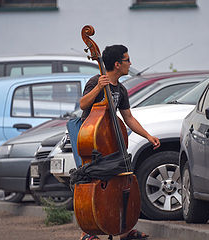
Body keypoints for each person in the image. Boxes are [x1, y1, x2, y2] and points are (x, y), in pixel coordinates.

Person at [79, 45, 160, 240]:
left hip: (109, 140)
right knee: (92, 183)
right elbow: (83, 104)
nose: (130, 63)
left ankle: (124, 230)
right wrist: (99, 87)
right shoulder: (95, 81)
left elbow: (128, 117)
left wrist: (148, 136)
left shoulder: (120, 89)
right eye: (127, 60)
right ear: (117, 64)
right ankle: (88, 232)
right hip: (91, 140)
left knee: (118, 182)